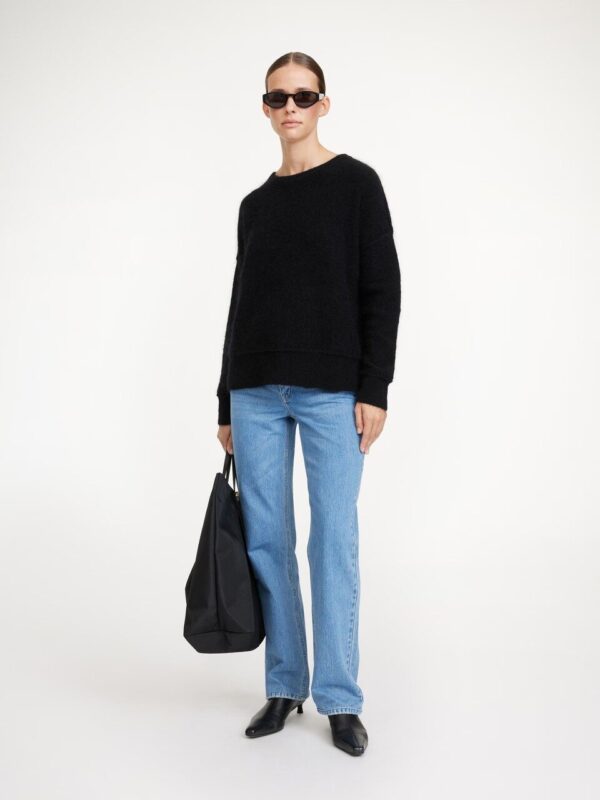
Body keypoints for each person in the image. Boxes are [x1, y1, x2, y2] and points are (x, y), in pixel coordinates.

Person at [215, 51, 401, 757]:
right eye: (277, 97)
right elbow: (240, 305)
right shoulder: (254, 205)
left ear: (323, 104)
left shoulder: (357, 184)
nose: (289, 108)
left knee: (333, 541)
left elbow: (382, 289)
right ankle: (285, 684)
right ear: (265, 107)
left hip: (332, 393)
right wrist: (225, 401)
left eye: (302, 95)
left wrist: (374, 387)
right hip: (255, 392)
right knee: (267, 540)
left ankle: (340, 698)